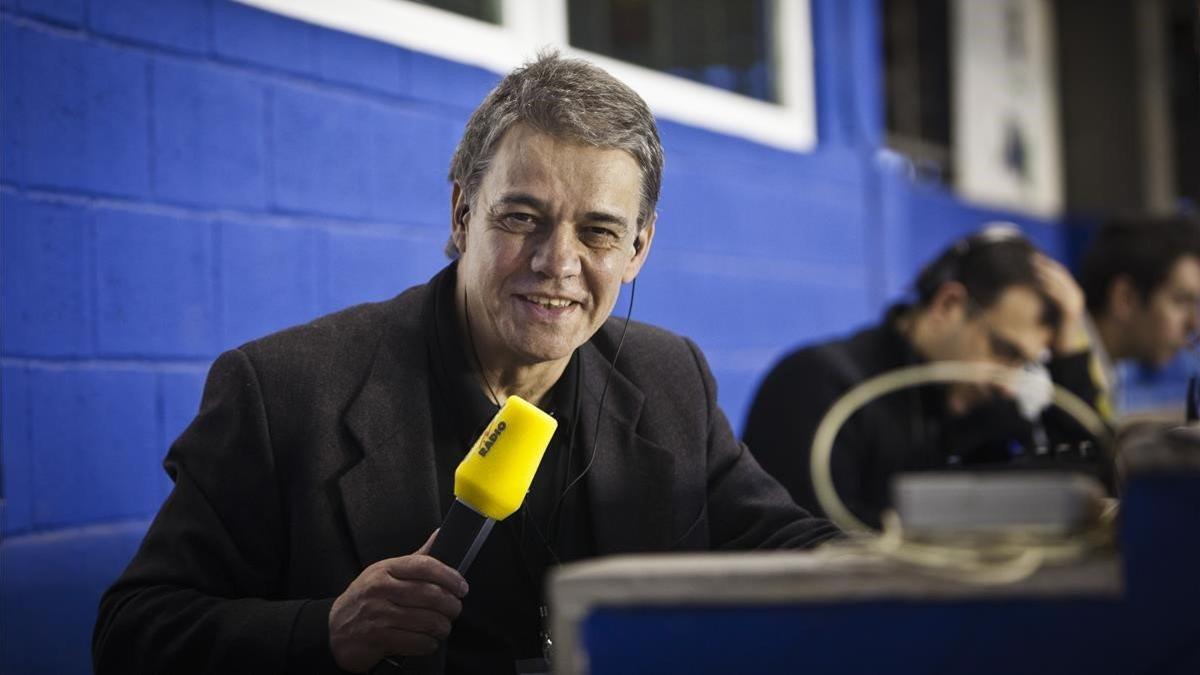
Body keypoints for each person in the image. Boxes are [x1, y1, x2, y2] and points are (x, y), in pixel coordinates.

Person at [92, 52, 839, 675]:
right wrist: (325, 630)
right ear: (460, 214)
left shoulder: (670, 377)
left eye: (600, 232)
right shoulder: (284, 390)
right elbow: (132, 630)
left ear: (640, 247)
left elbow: (795, 547)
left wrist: (932, 568)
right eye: (522, 218)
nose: (558, 263)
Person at [742, 225, 1105, 529]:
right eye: (1003, 351)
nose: (1007, 381)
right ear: (947, 305)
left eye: (1024, 363)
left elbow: (1086, 491)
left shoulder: (985, 412)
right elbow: (805, 551)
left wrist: (1069, 354)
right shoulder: (819, 387)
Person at [1078, 214, 1200, 414]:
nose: (1194, 324)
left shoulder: (1102, 372)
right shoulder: (1059, 372)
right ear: (1125, 298)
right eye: (1179, 301)